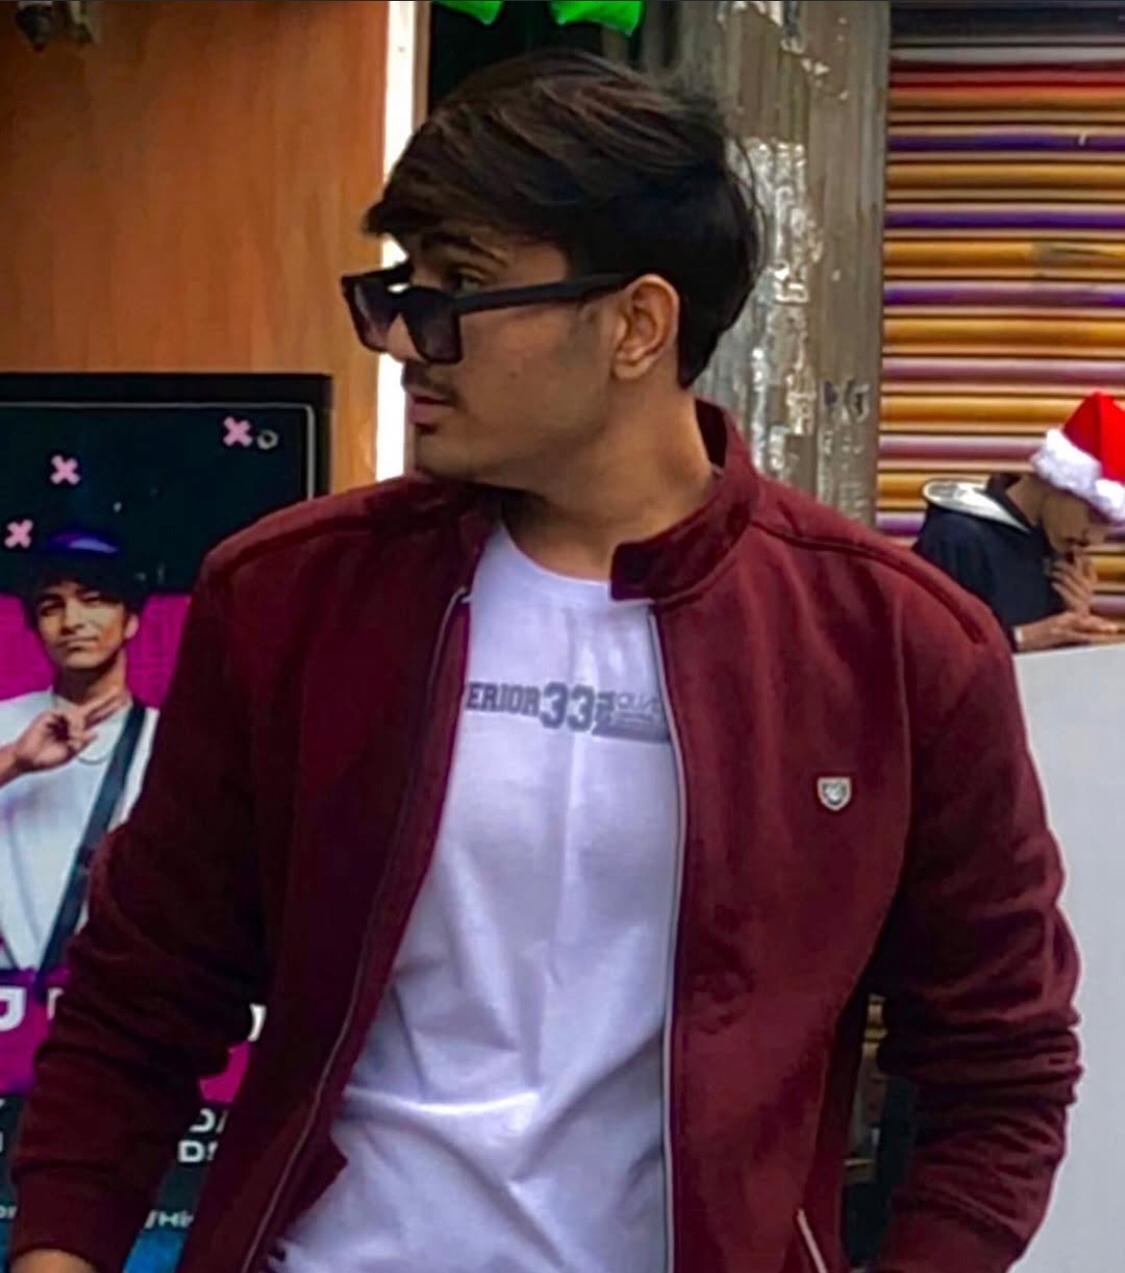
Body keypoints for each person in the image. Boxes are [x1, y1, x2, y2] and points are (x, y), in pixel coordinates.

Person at [12, 51, 1078, 1273]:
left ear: (636, 324)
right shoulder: (290, 596)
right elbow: (141, 995)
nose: (407, 339)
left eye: (460, 287)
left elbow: (1004, 1066)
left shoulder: (893, 644)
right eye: (404, 285)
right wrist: (57, 1251)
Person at [0, 533, 157, 978]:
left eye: (94, 600)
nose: (72, 621)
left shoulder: (168, 738)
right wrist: (15, 761)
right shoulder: (6, 723)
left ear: (130, 620)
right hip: (12, 991)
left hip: (121, 987)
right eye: (51, 606)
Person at [913, 391, 1125, 653]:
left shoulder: (1056, 554)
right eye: (1093, 516)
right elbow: (923, 650)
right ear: (1058, 481)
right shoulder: (957, 539)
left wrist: (1077, 620)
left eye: (1109, 526)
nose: (1094, 538)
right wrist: (1020, 638)